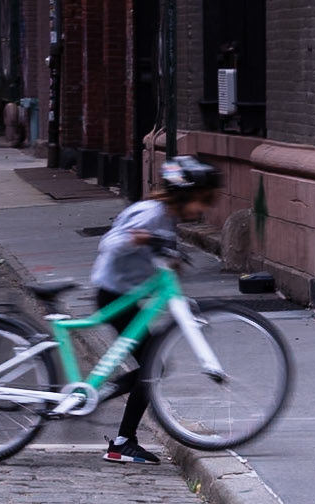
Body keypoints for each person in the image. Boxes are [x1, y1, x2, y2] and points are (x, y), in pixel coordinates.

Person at [89, 155, 222, 465]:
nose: (203, 210)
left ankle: (118, 431)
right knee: (152, 367)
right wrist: (141, 239)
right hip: (113, 296)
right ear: (185, 195)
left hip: (125, 295)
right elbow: (110, 244)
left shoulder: (165, 218)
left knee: (152, 366)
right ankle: (120, 437)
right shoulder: (151, 215)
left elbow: (156, 260)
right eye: (202, 201)